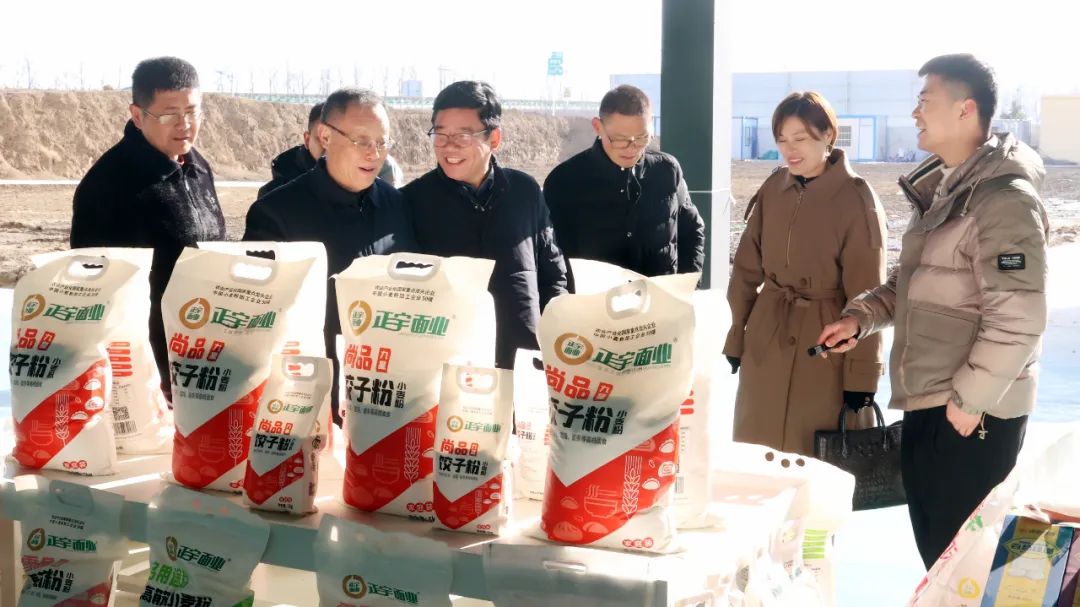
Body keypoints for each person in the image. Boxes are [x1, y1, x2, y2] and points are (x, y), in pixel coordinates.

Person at [818, 54, 1049, 569]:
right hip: (935, 401)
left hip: (973, 415)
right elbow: (915, 281)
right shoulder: (950, 189)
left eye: (926, 101)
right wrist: (861, 317)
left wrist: (970, 401)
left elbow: (1020, 316)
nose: (915, 113)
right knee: (943, 562)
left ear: (966, 109)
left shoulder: (1003, 201)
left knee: (965, 567)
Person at [722, 91, 887, 456]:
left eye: (800, 138)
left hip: (826, 346)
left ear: (828, 135)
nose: (790, 150)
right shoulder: (773, 188)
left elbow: (869, 294)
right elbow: (746, 270)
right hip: (767, 336)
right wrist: (736, 336)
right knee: (757, 452)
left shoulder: (857, 199)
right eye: (782, 140)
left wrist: (862, 376)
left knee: (813, 458)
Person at [244, 88, 417, 424]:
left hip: (385, 392)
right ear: (325, 136)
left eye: (382, 142)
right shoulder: (277, 212)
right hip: (307, 396)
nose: (374, 153)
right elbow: (257, 319)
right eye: (361, 140)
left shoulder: (397, 204)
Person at [70, 56, 225, 401]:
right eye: (169, 115)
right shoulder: (108, 184)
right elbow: (91, 292)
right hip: (145, 373)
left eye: (193, 112)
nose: (185, 125)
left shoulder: (198, 167)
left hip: (207, 358)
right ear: (137, 116)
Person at [401, 80, 567, 369]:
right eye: (440, 134)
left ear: (494, 138)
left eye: (463, 136)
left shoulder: (525, 192)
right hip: (449, 368)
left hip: (523, 361)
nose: (449, 146)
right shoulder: (411, 201)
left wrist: (555, 338)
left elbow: (553, 273)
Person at [543, 84, 704, 289]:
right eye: (620, 140)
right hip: (595, 306)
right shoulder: (564, 182)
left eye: (642, 138)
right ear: (598, 127)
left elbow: (692, 230)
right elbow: (550, 256)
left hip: (660, 302)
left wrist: (686, 288)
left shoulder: (667, 171)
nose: (631, 149)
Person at [258, 102, 406, 198]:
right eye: (322, 139)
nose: (330, 147)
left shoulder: (382, 168)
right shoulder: (276, 192)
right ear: (307, 140)